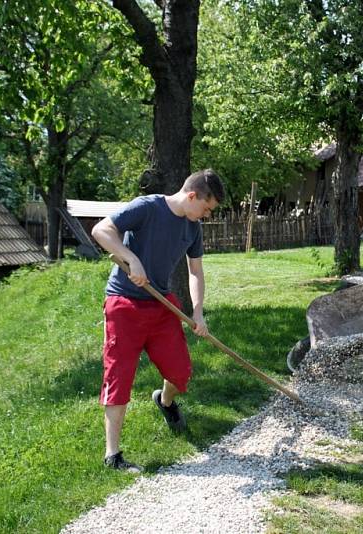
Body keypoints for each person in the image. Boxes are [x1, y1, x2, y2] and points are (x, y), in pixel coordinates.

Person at [91, 169, 225, 471]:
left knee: (181, 373)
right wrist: (131, 258)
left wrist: (198, 311)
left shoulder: (192, 228)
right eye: (205, 208)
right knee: (119, 375)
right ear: (192, 196)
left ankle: (164, 402)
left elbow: (195, 272)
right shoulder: (147, 207)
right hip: (124, 303)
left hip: (162, 305)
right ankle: (113, 455)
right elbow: (101, 231)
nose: (205, 215)